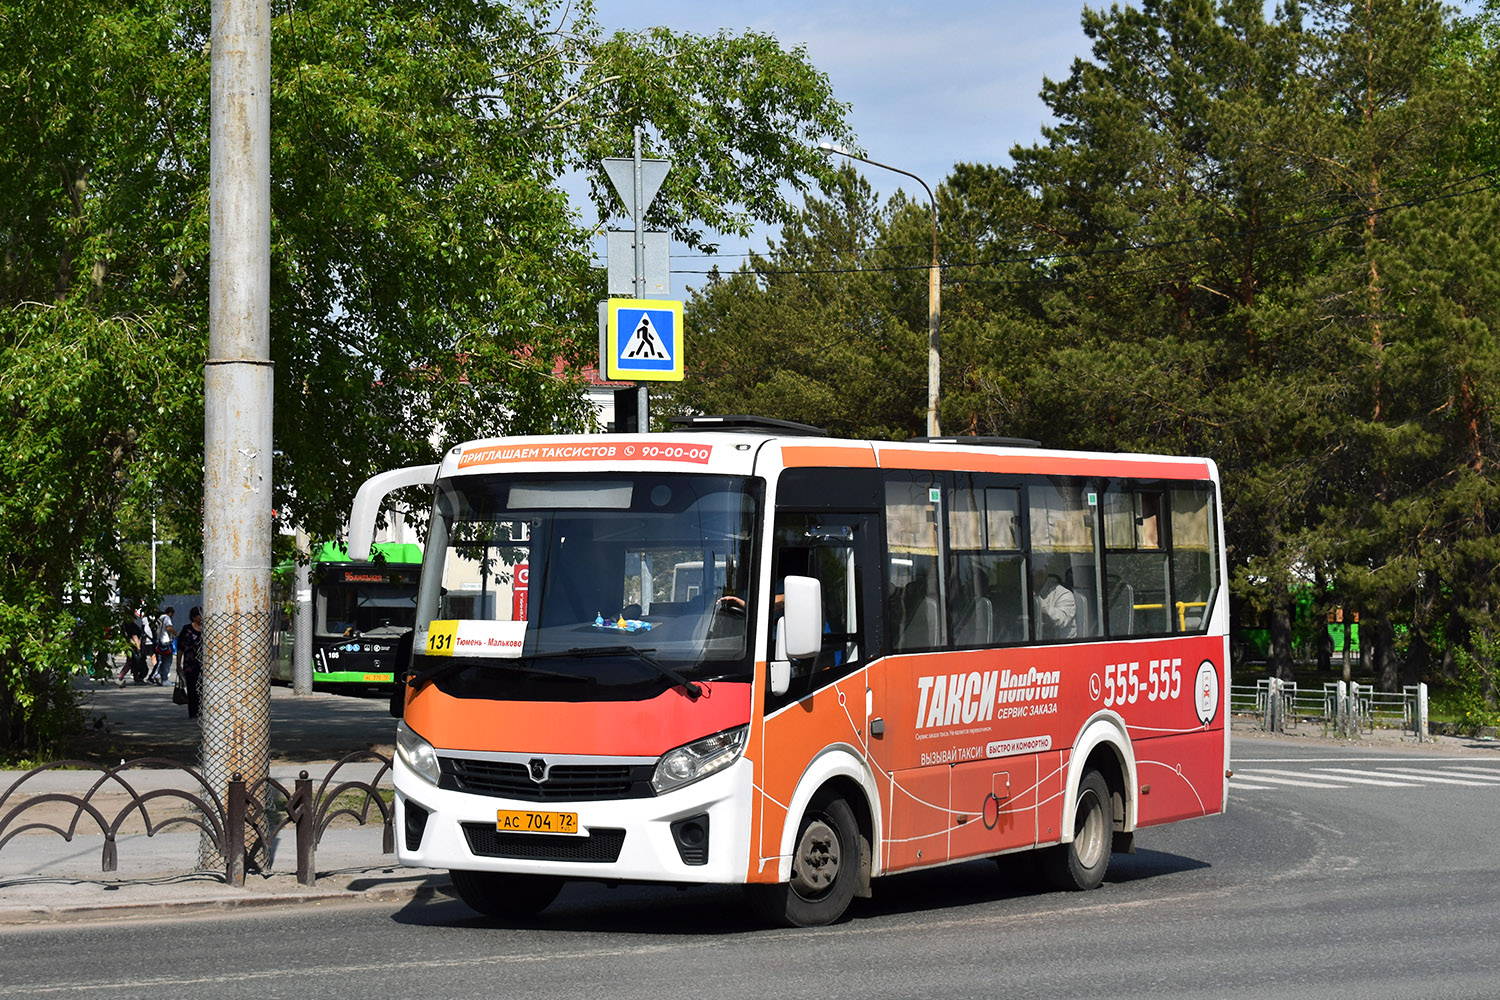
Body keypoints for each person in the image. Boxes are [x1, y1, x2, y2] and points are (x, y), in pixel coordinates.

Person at [1033, 562, 1077, 640]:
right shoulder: (1024, 592)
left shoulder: (1063, 593)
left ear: (1042, 574)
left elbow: (1061, 619)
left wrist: (1037, 601)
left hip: (1061, 644)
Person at [177, 606, 204, 719]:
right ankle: (193, 712)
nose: (201, 617)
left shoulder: (207, 628)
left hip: (204, 663)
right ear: (193, 616)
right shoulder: (187, 629)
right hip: (190, 663)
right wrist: (178, 664)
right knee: (192, 688)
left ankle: (203, 710)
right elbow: (180, 647)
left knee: (203, 688)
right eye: (199, 615)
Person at [119, 606, 150, 686]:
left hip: (127, 645)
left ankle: (137, 677)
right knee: (132, 662)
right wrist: (138, 646)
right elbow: (135, 636)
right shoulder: (131, 625)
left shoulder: (124, 625)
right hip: (133, 646)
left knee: (134, 662)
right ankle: (121, 675)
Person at [152, 606, 178, 686]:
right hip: (166, 641)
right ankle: (165, 679)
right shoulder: (167, 618)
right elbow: (169, 627)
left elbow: (156, 631)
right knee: (167, 661)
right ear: (170, 613)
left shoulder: (159, 619)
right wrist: (175, 633)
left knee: (161, 660)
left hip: (159, 641)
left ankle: (159, 675)